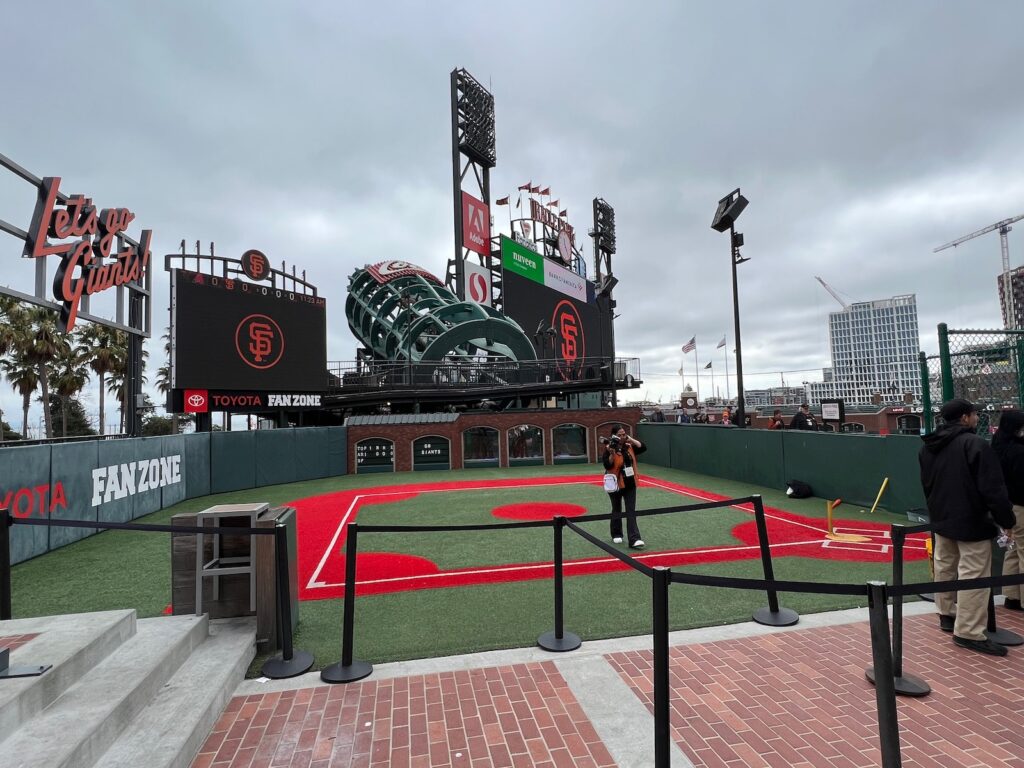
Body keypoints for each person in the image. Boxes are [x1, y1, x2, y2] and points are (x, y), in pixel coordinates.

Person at [919, 398, 1015, 656]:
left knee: (945, 566)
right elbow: (993, 489)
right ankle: (969, 632)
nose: (976, 418)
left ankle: (947, 614)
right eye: (974, 414)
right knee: (974, 574)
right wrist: (1007, 521)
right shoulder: (975, 444)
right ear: (964, 417)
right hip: (971, 520)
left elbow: (927, 484)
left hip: (941, 517)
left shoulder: (927, 446)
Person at [993, 409, 1024, 611]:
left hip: (1005, 505)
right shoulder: (1018, 450)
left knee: (1013, 549)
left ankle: (1012, 596)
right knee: (1022, 550)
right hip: (1021, 505)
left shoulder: (996, 444)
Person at [602, 424, 647, 549]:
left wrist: (630, 439)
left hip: (630, 483)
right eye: (620, 435)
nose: (622, 437)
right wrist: (611, 453)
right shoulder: (609, 448)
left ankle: (634, 539)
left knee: (631, 510)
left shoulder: (629, 446)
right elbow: (607, 465)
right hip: (616, 483)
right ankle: (616, 533)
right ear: (614, 436)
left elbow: (642, 447)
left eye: (624, 434)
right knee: (616, 509)